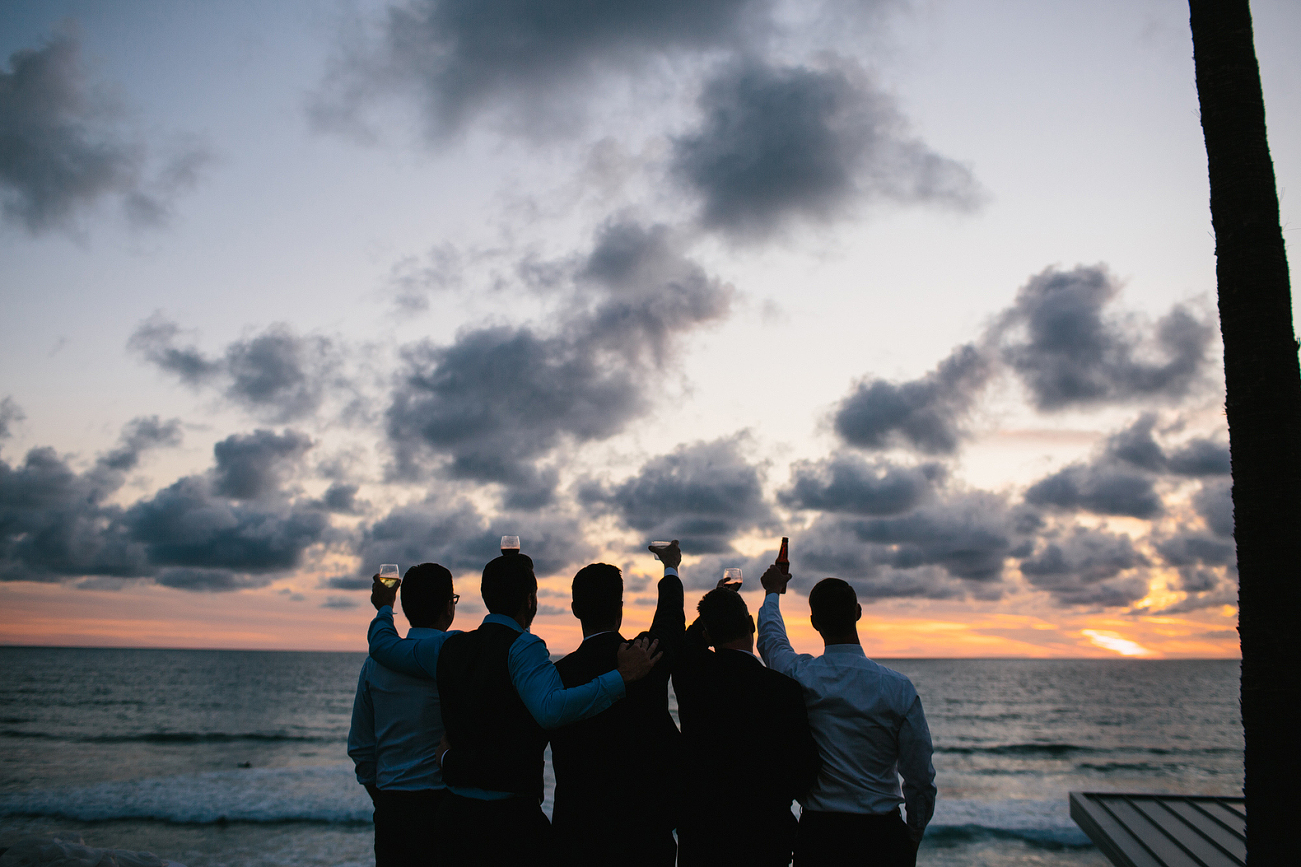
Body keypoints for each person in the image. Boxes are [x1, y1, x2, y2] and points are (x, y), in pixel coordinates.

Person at [367, 552, 661, 867]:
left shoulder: (446, 646)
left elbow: (383, 645)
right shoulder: (525, 647)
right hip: (508, 823)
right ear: (530, 600)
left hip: (454, 817)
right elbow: (551, 709)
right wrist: (621, 678)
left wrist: (385, 607)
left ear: (485, 595)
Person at [757, 566, 937, 867]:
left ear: (814, 623)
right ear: (858, 612)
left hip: (820, 836)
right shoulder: (897, 687)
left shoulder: (801, 676)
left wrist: (773, 592)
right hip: (881, 835)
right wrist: (913, 833)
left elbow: (772, 643)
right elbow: (920, 778)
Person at [673, 564, 821, 867]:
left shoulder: (693, 676)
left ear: (708, 635)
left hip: (703, 837)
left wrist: (715, 603)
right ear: (751, 624)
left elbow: (686, 643)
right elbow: (805, 770)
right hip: (765, 839)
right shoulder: (783, 690)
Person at [549, 542, 686, 867]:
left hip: (577, 838)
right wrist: (670, 567)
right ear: (620, 607)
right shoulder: (645, 655)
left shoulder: (557, 674)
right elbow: (670, 622)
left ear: (574, 608)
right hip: (645, 836)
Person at [348, 563, 459, 867]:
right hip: (447, 805)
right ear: (448, 606)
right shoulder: (459, 656)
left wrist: (384, 798)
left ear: (406, 607)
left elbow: (360, 747)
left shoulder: (374, 666)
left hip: (393, 810)